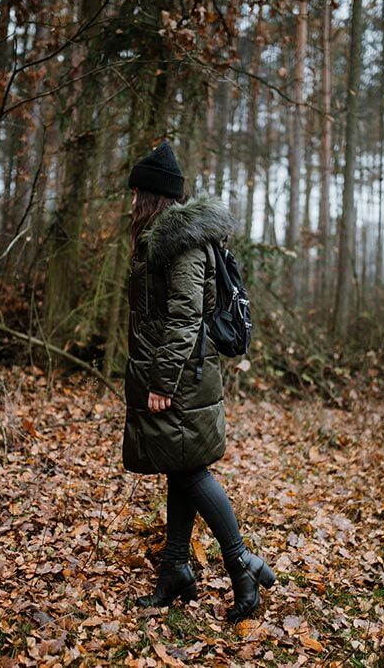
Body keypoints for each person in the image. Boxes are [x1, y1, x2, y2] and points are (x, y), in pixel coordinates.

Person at [122, 140, 275, 622]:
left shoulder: (182, 242)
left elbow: (186, 318)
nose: (130, 203)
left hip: (182, 375)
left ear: (152, 196)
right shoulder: (167, 239)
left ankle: (240, 562)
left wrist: (163, 382)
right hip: (179, 371)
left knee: (190, 471)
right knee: (179, 464)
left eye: (136, 194)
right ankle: (175, 569)